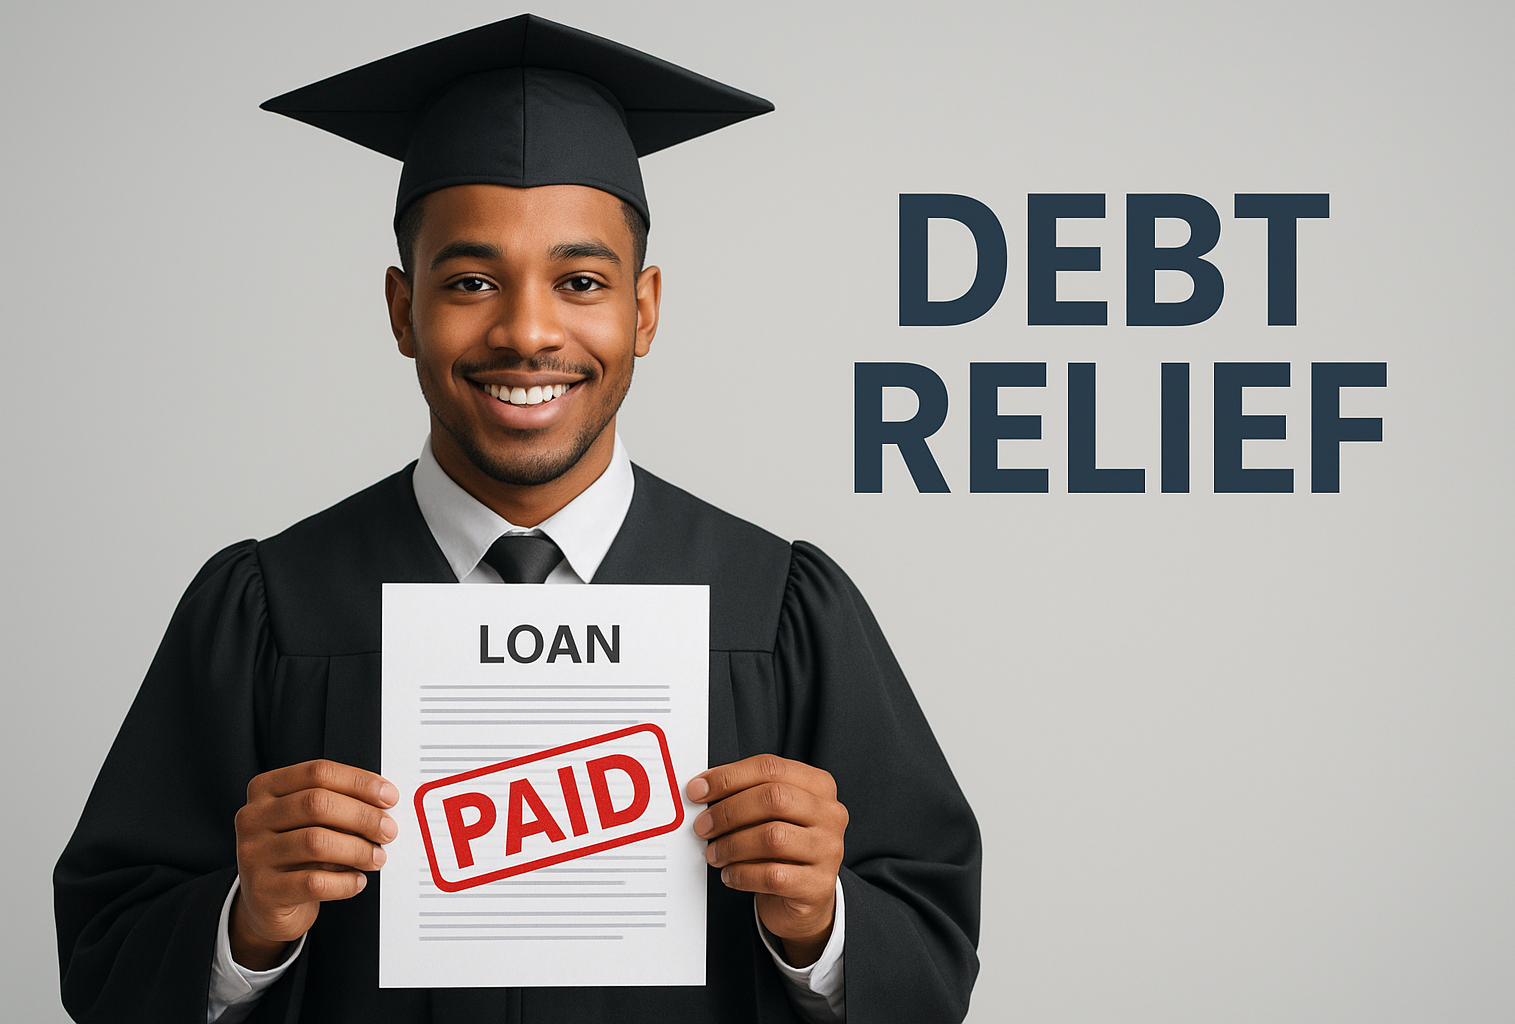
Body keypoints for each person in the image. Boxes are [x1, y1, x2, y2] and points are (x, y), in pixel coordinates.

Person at [53, 14, 981, 1024]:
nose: (528, 329)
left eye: (580, 282)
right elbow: (107, 959)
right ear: (403, 310)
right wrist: (244, 925)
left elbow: (932, 950)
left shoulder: (778, 607)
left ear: (645, 310)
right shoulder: (270, 608)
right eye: (471, 282)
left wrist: (820, 925)